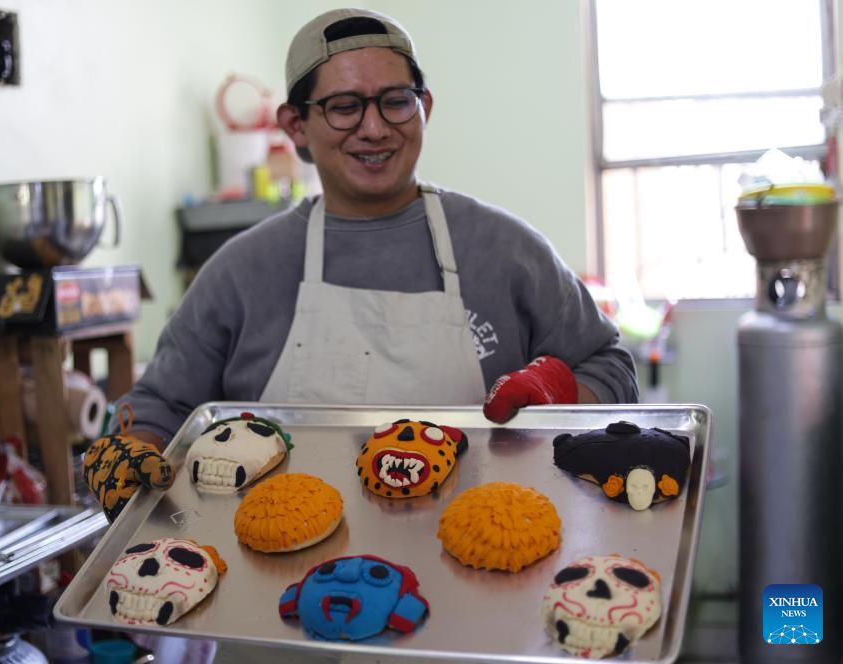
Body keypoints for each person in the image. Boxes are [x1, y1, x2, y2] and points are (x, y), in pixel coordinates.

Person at [87, 4, 637, 522]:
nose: (374, 129)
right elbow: (160, 407)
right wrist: (132, 450)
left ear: (425, 107)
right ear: (295, 124)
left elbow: (611, 367)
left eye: (395, 101)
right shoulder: (243, 272)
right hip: (268, 568)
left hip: (488, 556)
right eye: (344, 107)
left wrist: (557, 390)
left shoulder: (505, 250)